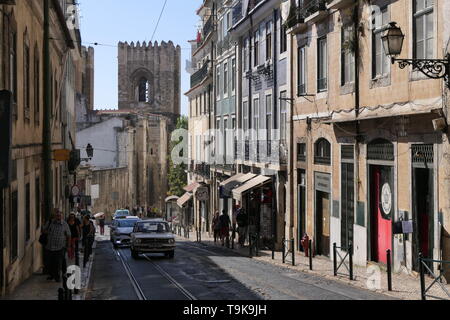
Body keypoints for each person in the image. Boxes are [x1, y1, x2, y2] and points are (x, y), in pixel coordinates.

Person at [45, 209, 71, 282]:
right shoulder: (50, 222)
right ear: (55, 216)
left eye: (59, 215)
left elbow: (69, 235)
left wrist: (68, 246)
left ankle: (58, 277)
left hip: (60, 247)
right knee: (50, 262)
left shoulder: (65, 224)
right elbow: (44, 230)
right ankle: (52, 275)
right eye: (57, 215)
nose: (58, 217)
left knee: (58, 262)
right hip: (50, 246)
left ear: (62, 216)